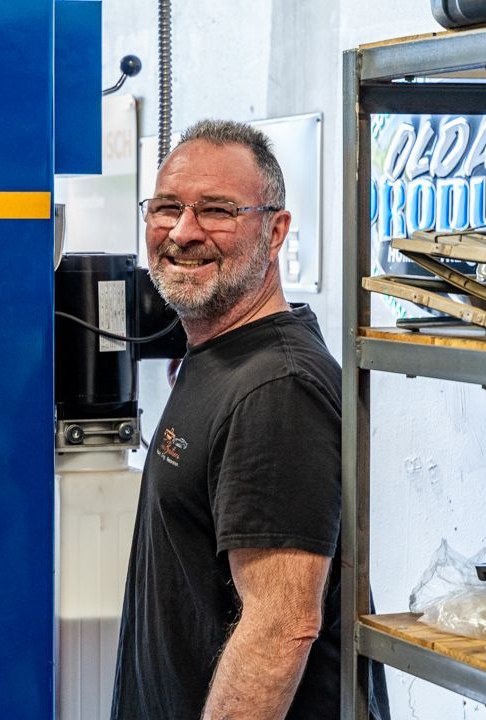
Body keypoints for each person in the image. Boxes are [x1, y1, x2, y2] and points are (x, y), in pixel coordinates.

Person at [110, 119, 389, 720]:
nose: (183, 232)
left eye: (217, 210)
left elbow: (280, 627)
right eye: (166, 208)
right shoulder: (219, 359)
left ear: (276, 229)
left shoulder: (277, 388)